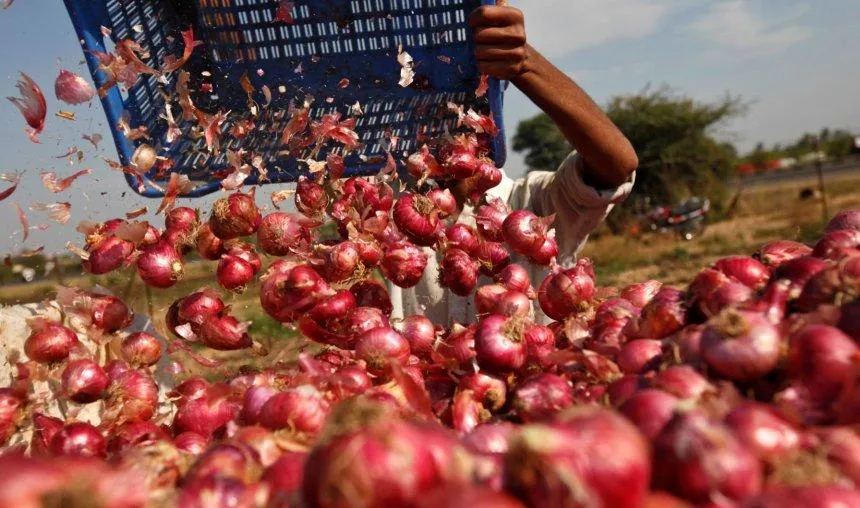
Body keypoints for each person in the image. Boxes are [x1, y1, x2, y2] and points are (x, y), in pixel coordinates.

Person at [389, 5, 639, 325]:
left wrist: (524, 64)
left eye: (461, 110)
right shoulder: (394, 226)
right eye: (425, 114)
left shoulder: (533, 203)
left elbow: (618, 165)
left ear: (486, 118)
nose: (442, 126)